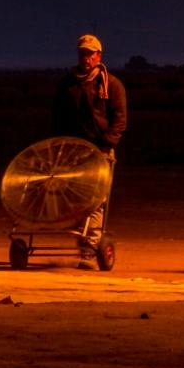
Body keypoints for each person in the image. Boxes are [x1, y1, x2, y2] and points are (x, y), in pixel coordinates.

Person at [52, 33, 126, 260]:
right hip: (74, 150)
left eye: (90, 53)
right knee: (73, 197)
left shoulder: (110, 84)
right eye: (82, 53)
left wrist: (107, 142)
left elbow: (120, 118)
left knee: (96, 199)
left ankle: (90, 245)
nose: (85, 57)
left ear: (98, 56)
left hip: (101, 150)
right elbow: (58, 117)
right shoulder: (68, 84)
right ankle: (82, 238)